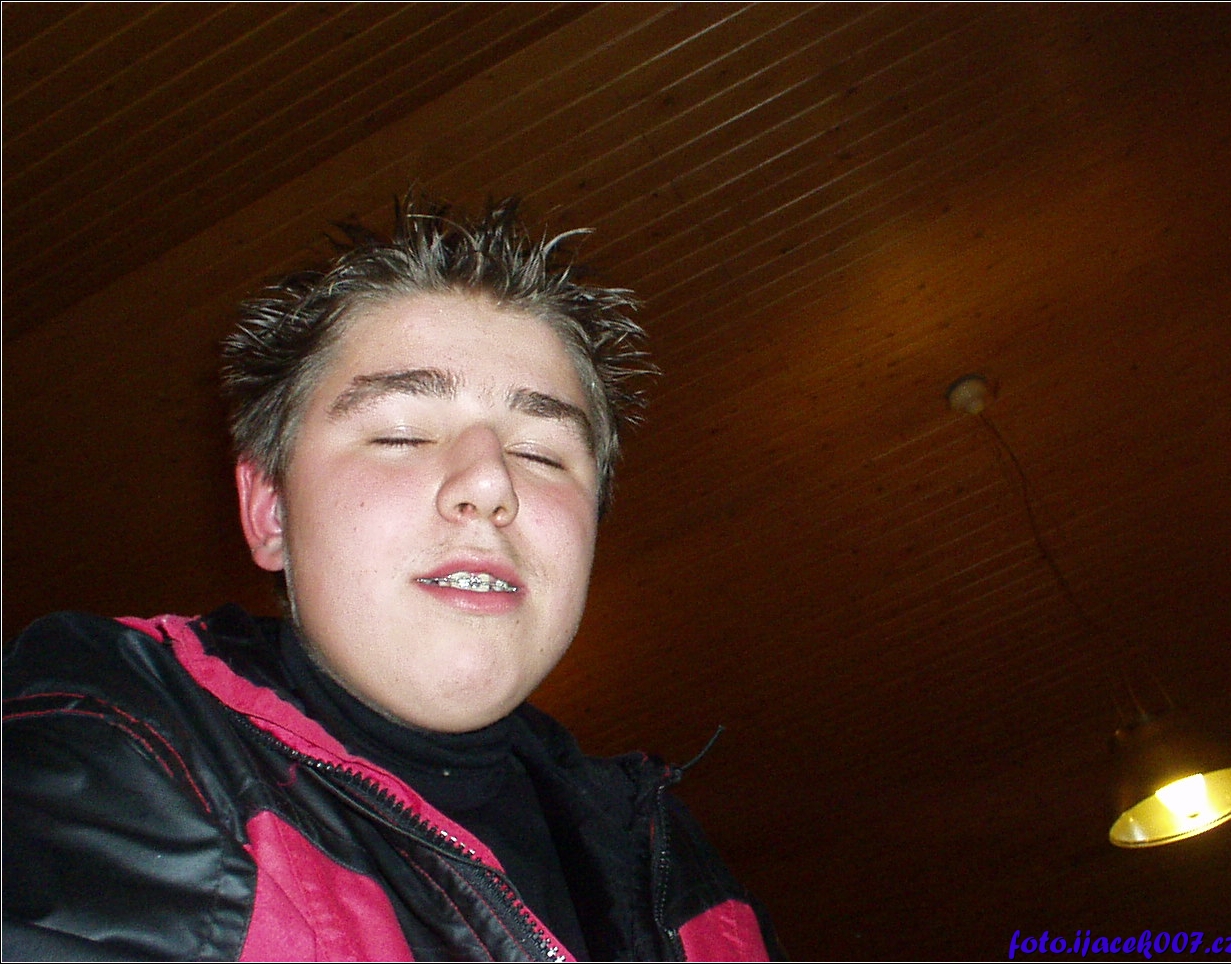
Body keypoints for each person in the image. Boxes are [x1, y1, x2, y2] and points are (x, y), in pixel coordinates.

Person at [3, 198, 779, 961]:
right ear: (271, 509)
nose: (490, 484)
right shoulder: (103, 745)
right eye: (402, 435)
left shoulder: (697, 896)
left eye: (541, 454)